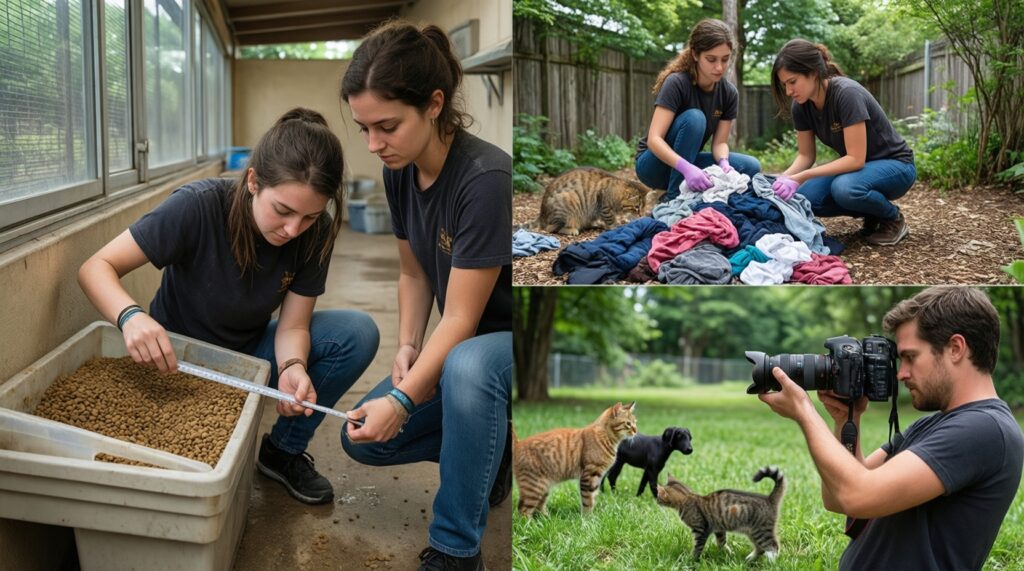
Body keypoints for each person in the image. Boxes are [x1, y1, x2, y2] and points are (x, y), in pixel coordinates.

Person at [78, 108, 380, 506]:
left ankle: (283, 452)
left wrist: (293, 367)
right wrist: (131, 317)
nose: (293, 229)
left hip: (247, 357)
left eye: (309, 216)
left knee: (356, 333)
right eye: (283, 211)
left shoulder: (316, 233)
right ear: (253, 181)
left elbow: (293, 326)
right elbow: (96, 267)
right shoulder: (197, 206)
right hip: (174, 360)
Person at [338, 21, 512, 571]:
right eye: (365, 128)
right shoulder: (400, 171)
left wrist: (404, 400)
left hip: (510, 344)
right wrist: (409, 346)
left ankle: (457, 550)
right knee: (362, 437)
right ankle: (494, 451)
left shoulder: (485, 179)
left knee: (466, 365)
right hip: (462, 347)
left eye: (387, 126)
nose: (374, 144)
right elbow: (413, 273)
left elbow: (460, 318)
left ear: (434, 105)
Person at [758, 286, 1024, 570]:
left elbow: (857, 495)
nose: (901, 373)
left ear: (955, 348)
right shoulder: (936, 424)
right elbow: (837, 498)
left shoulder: (984, 429)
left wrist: (804, 411)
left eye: (910, 357)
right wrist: (846, 420)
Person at [770, 39, 917, 246]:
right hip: (860, 172)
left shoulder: (847, 93)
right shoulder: (801, 106)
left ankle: (892, 218)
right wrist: (782, 179)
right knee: (804, 197)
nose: (788, 91)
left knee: (845, 188)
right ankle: (872, 212)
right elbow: (806, 155)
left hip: (897, 166)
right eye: (784, 84)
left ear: (813, 72)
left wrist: (801, 176)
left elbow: (855, 159)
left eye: (792, 82)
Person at [635, 18, 761, 202]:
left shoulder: (729, 93)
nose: (719, 67)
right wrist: (686, 168)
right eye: (711, 59)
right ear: (695, 54)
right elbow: (654, 140)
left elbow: (720, 143)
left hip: (689, 162)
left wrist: (724, 163)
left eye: (725, 59)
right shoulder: (677, 83)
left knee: (750, 166)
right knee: (695, 118)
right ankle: (674, 199)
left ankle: (682, 188)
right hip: (654, 165)